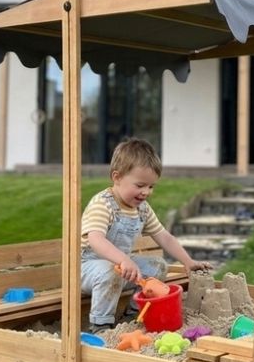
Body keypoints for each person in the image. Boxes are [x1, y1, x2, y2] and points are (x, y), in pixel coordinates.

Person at [81, 137, 212, 331]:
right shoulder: (103, 204)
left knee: (158, 266)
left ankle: (135, 312)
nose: (146, 192)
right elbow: (95, 239)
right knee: (110, 271)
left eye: (151, 187)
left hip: (122, 267)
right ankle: (100, 325)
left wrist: (187, 261)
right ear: (117, 177)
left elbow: (164, 236)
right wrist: (123, 260)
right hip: (87, 269)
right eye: (140, 185)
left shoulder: (142, 209)